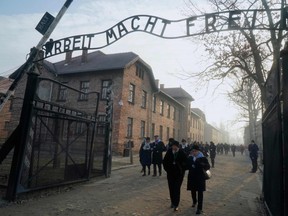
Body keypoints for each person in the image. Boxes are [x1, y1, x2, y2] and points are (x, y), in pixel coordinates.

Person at [163, 140, 187, 211]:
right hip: (170, 174)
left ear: (177, 146)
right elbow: (165, 161)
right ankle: (172, 202)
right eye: (172, 146)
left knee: (176, 189)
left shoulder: (181, 152)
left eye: (175, 146)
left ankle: (176, 204)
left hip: (179, 174)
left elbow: (185, 162)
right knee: (171, 188)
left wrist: (181, 169)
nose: (173, 147)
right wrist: (167, 169)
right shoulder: (169, 151)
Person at [187, 145, 210, 215]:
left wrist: (200, 163)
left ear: (198, 151)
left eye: (194, 151)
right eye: (192, 151)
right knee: (193, 190)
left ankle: (199, 208)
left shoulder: (202, 158)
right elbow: (187, 165)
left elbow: (208, 166)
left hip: (200, 178)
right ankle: (194, 201)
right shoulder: (190, 157)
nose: (193, 153)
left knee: (200, 192)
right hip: (192, 177)